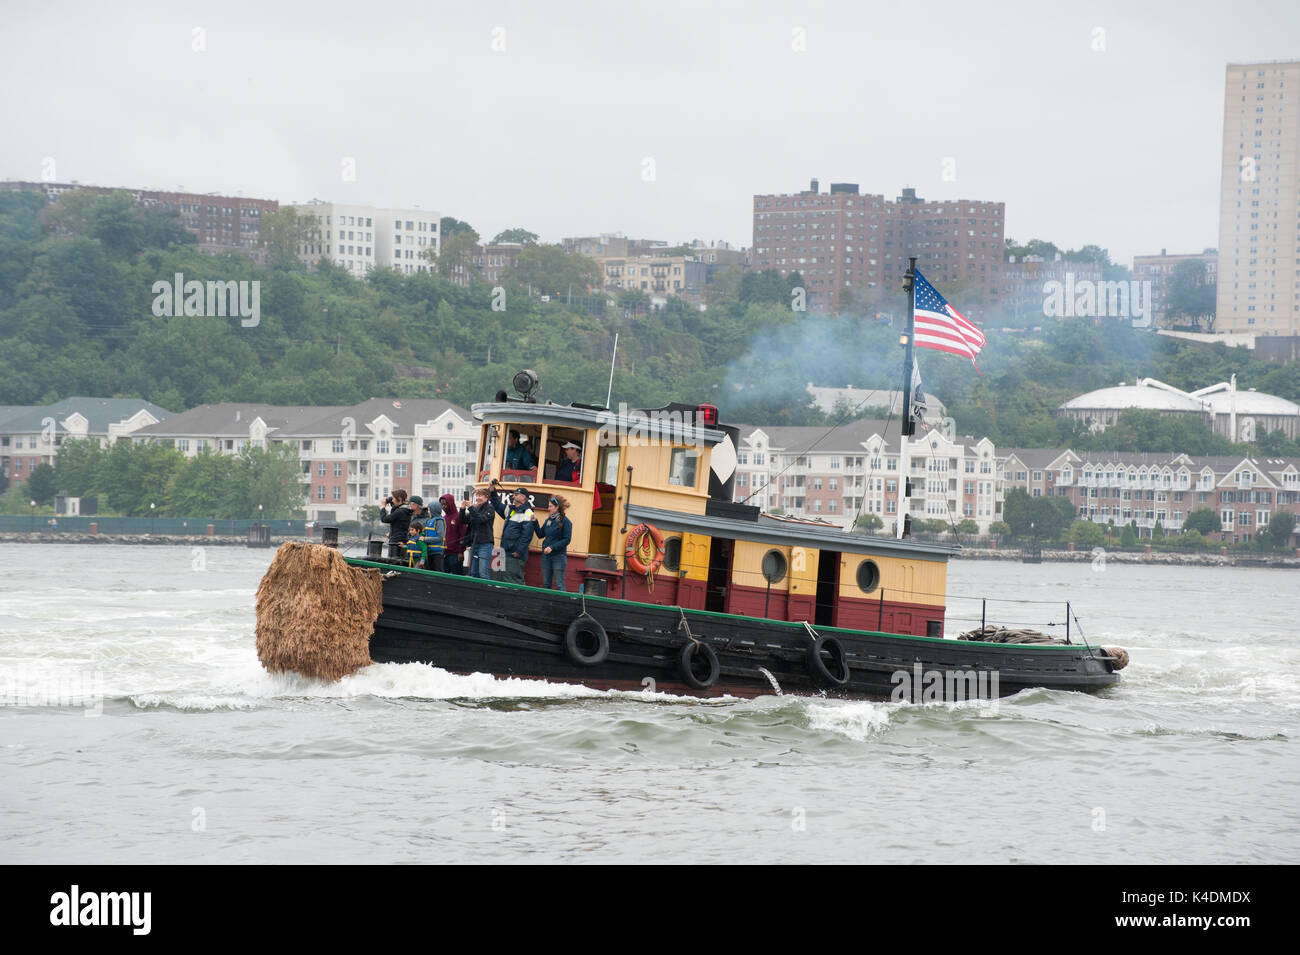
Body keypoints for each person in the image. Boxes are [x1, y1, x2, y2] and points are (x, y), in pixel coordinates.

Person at [492, 485, 536, 585]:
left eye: (516, 495)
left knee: (514, 580)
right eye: (514, 495)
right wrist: (493, 492)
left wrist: (519, 551)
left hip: (515, 554)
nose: (513, 497)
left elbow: (527, 535)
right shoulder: (511, 510)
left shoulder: (528, 512)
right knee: (506, 578)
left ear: (524, 497)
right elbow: (497, 505)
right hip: (507, 552)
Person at [535, 495, 573, 591]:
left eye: (551, 506)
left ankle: (561, 604)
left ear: (557, 507)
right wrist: (534, 522)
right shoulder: (548, 520)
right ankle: (547, 605)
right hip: (546, 556)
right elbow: (540, 534)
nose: (548, 509)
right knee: (546, 584)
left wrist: (552, 547)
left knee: (559, 584)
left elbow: (567, 539)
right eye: (549, 506)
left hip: (558, 557)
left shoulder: (566, 522)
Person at [462, 486, 498, 580]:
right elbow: (464, 520)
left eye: (480, 496)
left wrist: (470, 507)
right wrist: (462, 509)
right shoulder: (475, 508)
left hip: (485, 544)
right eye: (477, 495)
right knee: (474, 572)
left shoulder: (490, 509)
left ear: (486, 497)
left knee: (483, 572)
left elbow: (480, 519)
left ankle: (487, 593)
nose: (477, 498)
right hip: (475, 543)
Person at [379, 489, 413, 559]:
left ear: (399, 499)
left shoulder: (400, 512)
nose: (392, 500)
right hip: (400, 538)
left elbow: (384, 519)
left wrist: (383, 507)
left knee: (394, 561)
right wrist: (392, 533)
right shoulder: (405, 510)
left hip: (396, 541)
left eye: (393, 498)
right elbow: (397, 522)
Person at [440, 493, 468, 574]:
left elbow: (463, 535)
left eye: (445, 504)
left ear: (451, 503)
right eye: (442, 505)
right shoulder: (443, 518)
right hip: (445, 553)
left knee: (457, 577)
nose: (443, 507)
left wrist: (461, 552)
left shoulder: (459, 517)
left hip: (455, 554)